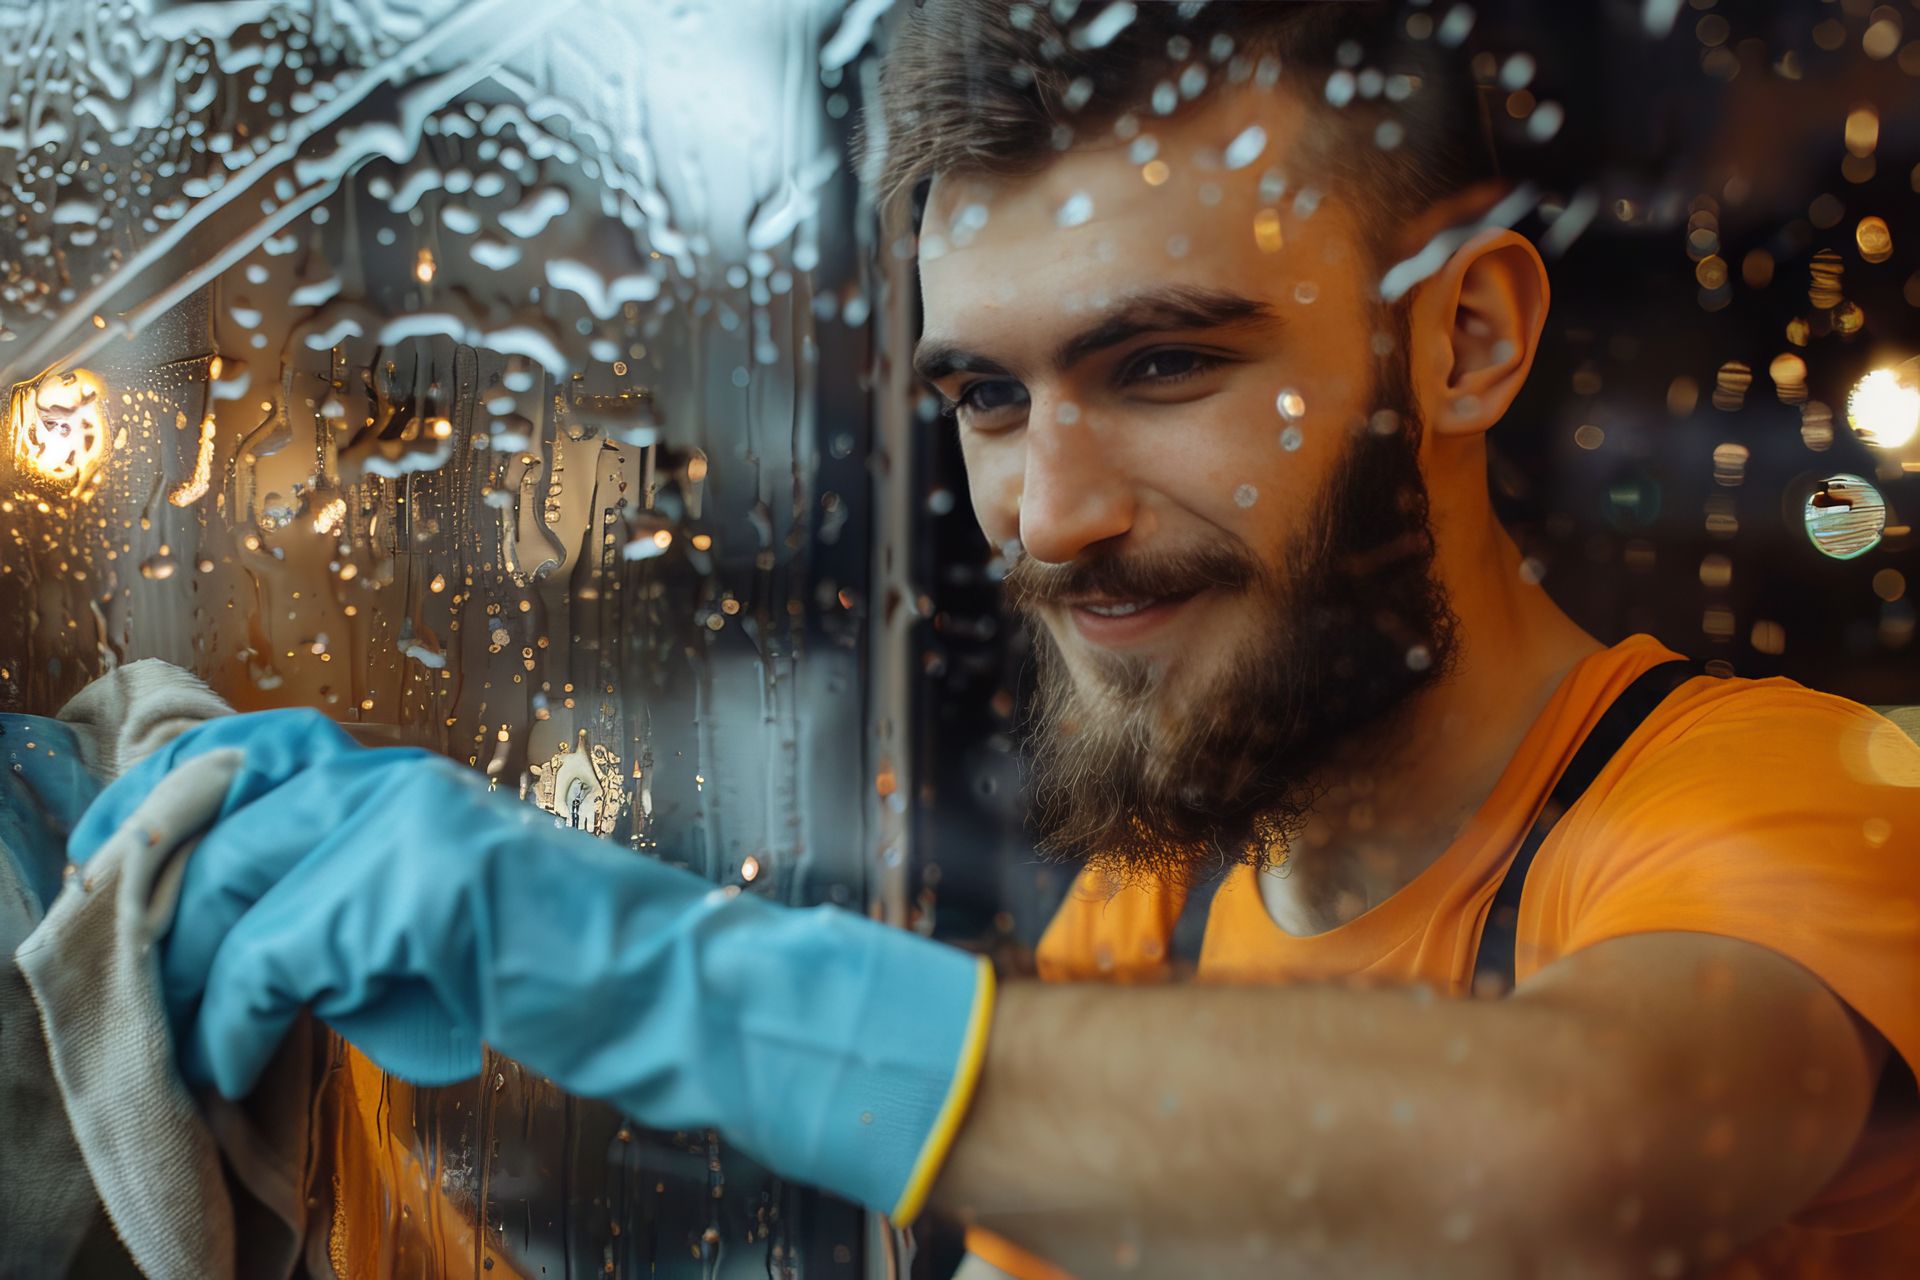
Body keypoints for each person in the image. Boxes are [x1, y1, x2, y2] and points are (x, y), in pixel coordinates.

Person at [63, 3, 1919, 1277]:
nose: (1048, 513)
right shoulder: (1158, 918)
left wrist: (635, 970)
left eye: (1166, 363)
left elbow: (1574, 1161)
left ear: (1468, 344)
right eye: (987, 398)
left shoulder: (1794, 805)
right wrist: (329, 1180)